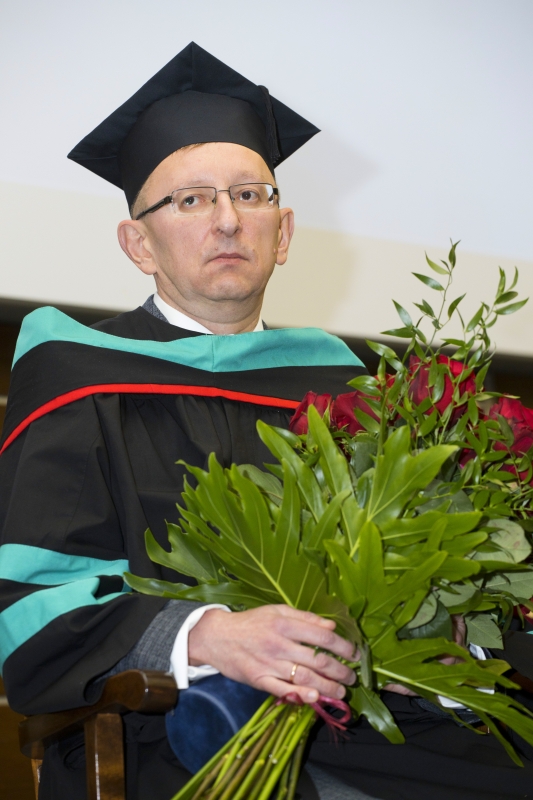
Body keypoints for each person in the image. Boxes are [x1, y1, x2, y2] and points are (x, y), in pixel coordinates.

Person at [1, 42, 533, 800]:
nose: (227, 221)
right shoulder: (77, 375)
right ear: (138, 244)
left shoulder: (348, 391)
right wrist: (207, 635)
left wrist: (442, 631)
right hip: (179, 729)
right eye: (190, 201)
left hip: (378, 724)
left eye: (250, 196)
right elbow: (29, 601)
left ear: (282, 234)